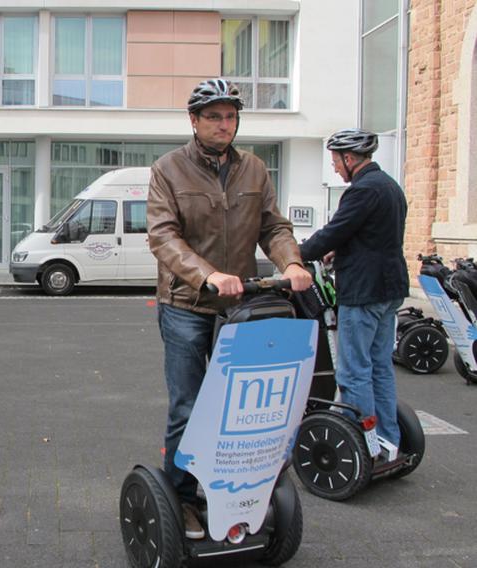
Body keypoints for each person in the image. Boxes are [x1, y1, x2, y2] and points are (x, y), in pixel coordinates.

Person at [147, 78, 312, 540]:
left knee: (239, 407)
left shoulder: (255, 169)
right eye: (215, 116)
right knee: (188, 406)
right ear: (194, 121)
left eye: (231, 116)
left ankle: (232, 487)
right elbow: (163, 236)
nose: (225, 124)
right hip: (185, 304)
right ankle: (181, 497)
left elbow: (274, 227)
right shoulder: (168, 169)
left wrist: (292, 261)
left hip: (239, 307)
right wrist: (208, 274)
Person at [299, 128, 408, 459]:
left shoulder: (361, 191)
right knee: (379, 367)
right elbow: (372, 236)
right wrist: (341, 252)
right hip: (388, 291)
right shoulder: (390, 186)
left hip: (363, 292)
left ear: (349, 159)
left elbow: (334, 231)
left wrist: (295, 255)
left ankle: (363, 443)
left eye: (335, 161)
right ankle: (388, 439)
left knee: (353, 371)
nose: (334, 167)